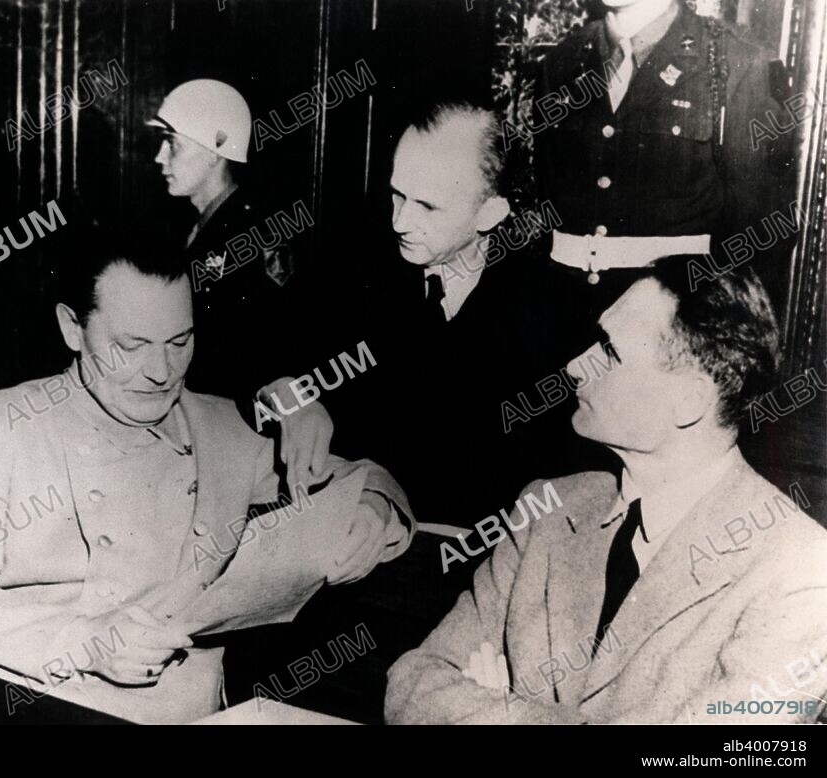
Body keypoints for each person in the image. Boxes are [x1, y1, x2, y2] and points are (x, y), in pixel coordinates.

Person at [0, 232, 415, 725]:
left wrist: (372, 510)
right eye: (132, 346)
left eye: (179, 341)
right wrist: (84, 640)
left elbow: (357, 479)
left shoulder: (219, 428)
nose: (162, 372)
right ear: (72, 328)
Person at [384, 259, 827, 724]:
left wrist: (502, 711)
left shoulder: (800, 572)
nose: (576, 366)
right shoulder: (547, 509)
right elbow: (413, 684)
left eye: (610, 351)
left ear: (688, 401)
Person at [318, 98, 568, 530]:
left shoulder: (548, 314)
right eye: (397, 195)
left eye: (427, 206)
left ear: (490, 213)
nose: (399, 222)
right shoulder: (352, 275)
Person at [532, 0, 795, 367]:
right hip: (564, 332)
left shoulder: (734, 63)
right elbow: (544, 212)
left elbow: (758, 239)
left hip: (669, 342)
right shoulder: (560, 63)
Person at [148, 78, 329, 491]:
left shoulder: (256, 234)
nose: (160, 157)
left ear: (215, 150)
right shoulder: (185, 226)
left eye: (172, 142)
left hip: (232, 443)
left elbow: (274, 351)